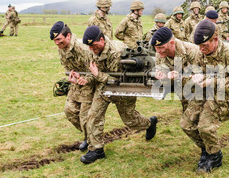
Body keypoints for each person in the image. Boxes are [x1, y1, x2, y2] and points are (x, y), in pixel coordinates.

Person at [180, 20, 229, 173]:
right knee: (204, 127)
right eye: (199, 46)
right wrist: (196, 77)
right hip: (216, 98)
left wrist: (211, 81)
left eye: (205, 45)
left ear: (215, 39)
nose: (202, 49)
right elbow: (197, 70)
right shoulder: (200, 53)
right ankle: (214, 156)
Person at [79, 25, 157, 164]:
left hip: (123, 89)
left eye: (94, 45)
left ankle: (149, 124)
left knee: (130, 120)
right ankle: (96, 150)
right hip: (104, 88)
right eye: (89, 46)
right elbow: (94, 73)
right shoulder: (92, 51)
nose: (92, 49)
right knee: (93, 116)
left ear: (102, 40)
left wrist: (98, 75)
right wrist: (85, 79)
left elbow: (117, 81)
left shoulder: (117, 51)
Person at [50, 21, 94, 151]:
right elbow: (67, 67)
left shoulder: (83, 48)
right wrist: (71, 75)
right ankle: (90, 134)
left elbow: (96, 70)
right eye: (54, 40)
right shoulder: (62, 49)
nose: (57, 43)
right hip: (76, 84)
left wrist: (84, 79)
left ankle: (91, 141)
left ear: (68, 36)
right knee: (69, 111)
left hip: (89, 84)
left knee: (84, 117)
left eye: (59, 39)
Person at [151, 27, 199, 112]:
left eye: (161, 47)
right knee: (187, 120)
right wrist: (163, 77)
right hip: (184, 96)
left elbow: (201, 77)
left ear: (172, 43)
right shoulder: (159, 54)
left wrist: (180, 77)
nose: (158, 51)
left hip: (200, 95)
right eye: (156, 47)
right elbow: (166, 84)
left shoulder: (193, 51)